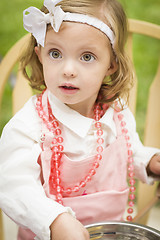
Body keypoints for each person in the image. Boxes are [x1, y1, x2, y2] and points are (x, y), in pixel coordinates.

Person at [0, 0, 160, 239]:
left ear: (111, 64)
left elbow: (127, 151)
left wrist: (149, 161)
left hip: (111, 233)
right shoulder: (30, 125)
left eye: (87, 57)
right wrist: (53, 221)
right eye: (55, 53)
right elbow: (13, 186)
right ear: (40, 55)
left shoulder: (116, 113)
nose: (68, 70)